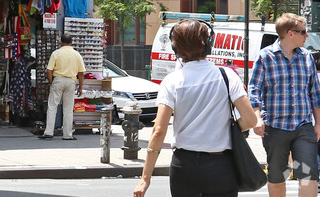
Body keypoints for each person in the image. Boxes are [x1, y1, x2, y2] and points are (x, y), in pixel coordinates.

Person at [134, 19, 257, 197]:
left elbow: (158, 131)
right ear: (209, 44)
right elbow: (251, 120)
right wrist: (229, 127)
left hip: (184, 165)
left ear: (176, 49)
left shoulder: (172, 81)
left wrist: (145, 178)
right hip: (220, 164)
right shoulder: (226, 76)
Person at [248, 13, 320, 197]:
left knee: (308, 174)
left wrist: (318, 123)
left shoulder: (307, 57)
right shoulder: (265, 57)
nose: (306, 36)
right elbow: (254, 90)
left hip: (303, 125)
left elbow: (315, 93)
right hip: (275, 127)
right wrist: (257, 119)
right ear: (290, 33)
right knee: (278, 175)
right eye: (303, 32)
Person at [38, 32, 85, 140]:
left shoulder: (56, 53)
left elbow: (49, 71)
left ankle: (49, 132)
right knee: (68, 109)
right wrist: (81, 87)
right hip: (71, 81)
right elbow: (81, 73)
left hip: (58, 80)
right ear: (71, 43)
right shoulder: (76, 54)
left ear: (61, 42)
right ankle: (68, 135)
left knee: (52, 106)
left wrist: (52, 82)